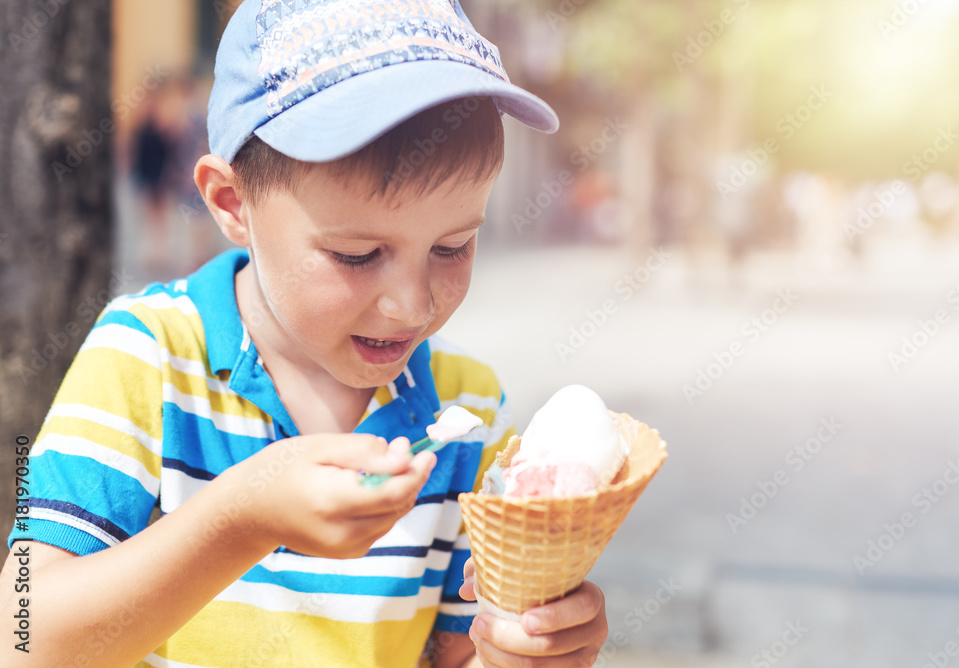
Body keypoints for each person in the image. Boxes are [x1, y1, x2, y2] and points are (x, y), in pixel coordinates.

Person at [0, 1, 609, 667]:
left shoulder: (471, 413)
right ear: (233, 204)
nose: (411, 305)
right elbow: (22, 633)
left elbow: (458, 654)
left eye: (453, 246)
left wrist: (528, 653)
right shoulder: (145, 357)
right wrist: (241, 518)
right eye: (356, 255)